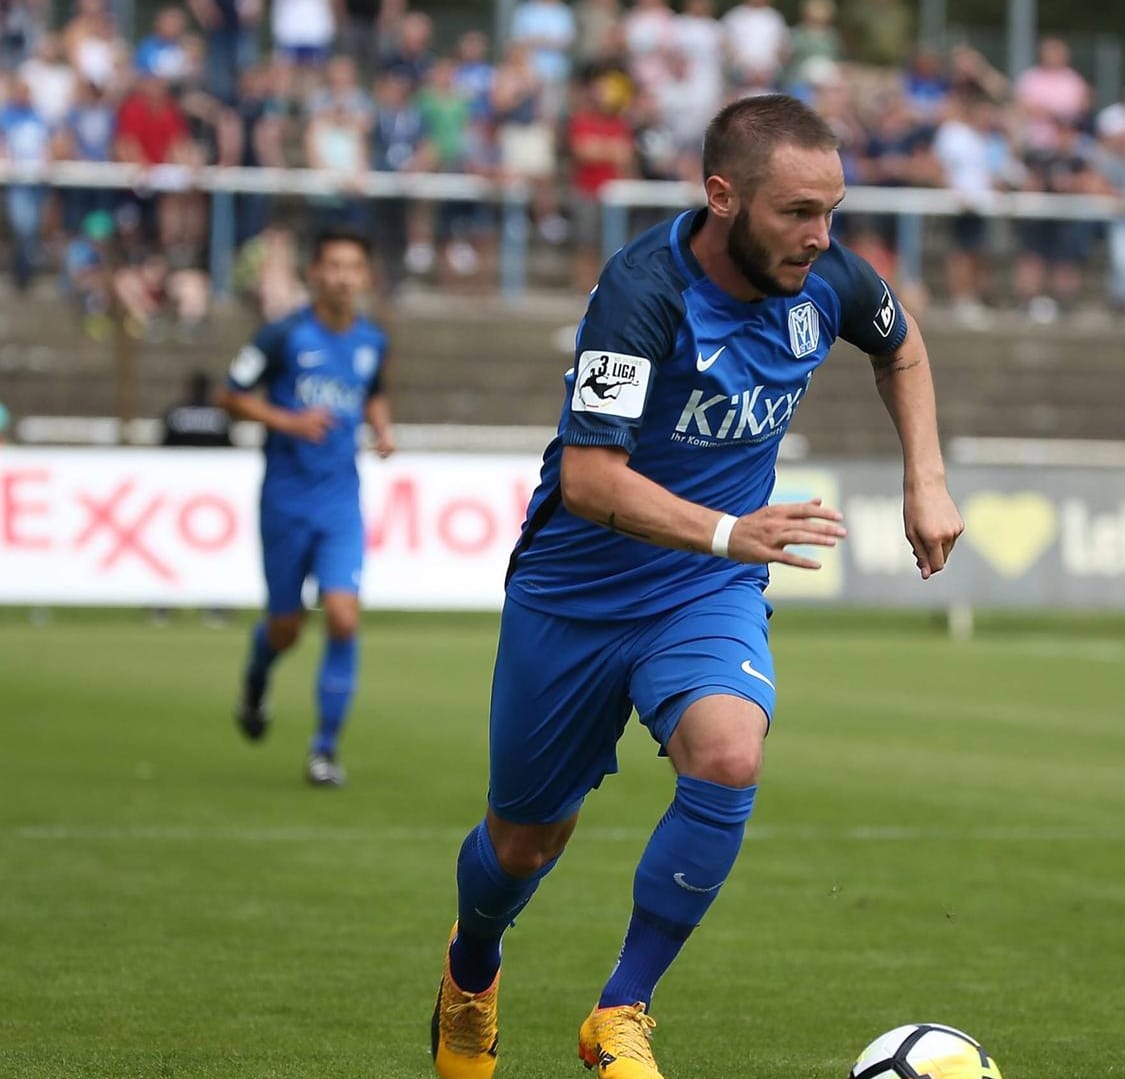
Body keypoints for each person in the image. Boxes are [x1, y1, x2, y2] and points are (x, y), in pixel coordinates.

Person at [428, 94, 964, 1079]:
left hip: (702, 590)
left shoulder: (830, 281)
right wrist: (730, 528)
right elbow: (589, 479)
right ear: (722, 197)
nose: (821, 237)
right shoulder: (642, 293)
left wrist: (924, 476)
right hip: (574, 593)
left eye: (831, 211)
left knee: (727, 754)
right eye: (797, 212)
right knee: (521, 843)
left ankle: (621, 1009)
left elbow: (905, 347)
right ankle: (470, 970)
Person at [217, 225, 395, 788]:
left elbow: (373, 390)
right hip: (285, 500)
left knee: (343, 617)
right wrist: (289, 420)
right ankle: (256, 677)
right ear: (315, 274)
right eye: (333, 266)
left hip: (341, 500)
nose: (343, 277)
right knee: (287, 627)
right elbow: (229, 396)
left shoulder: (372, 340)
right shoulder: (283, 335)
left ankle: (323, 751)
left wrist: (382, 427)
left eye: (354, 267)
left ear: (366, 276)